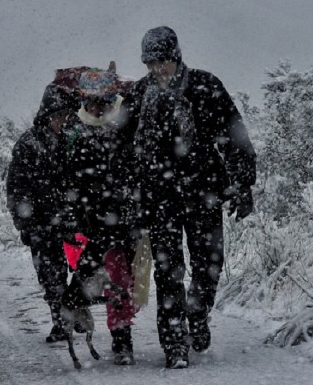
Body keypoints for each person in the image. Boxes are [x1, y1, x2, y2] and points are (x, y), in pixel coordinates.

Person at [124, 26, 257, 369]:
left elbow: (233, 134)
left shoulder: (204, 86)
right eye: (150, 63)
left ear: (176, 56)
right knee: (168, 274)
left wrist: (243, 184)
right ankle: (174, 345)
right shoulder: (139, 95)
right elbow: (121, 150)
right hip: (158, 198)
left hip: (204, 194)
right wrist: (127, 194)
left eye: (163, 61)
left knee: (208, 267)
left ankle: (197, 313)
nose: (157, 69)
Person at [62, 67, 139, 365]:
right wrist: (73, 215)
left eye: (101, 100)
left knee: (121, 279)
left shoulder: (125, 128)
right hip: (92, 223)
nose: (96, 107)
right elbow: (69, 181)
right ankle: (114, 335)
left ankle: (121, 336)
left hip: (124, 219)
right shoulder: (77, 135)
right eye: (90, 101)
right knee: (102, 278)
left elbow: (136, 172)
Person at [6, 83, 81, 343]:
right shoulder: (28, 143)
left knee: (82, 267)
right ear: (47, 114)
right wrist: (24, 223)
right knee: (50, 273)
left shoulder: (72, 140)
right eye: (57, 116)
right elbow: (17, 186)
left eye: (65, 116)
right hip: (40, 222)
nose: (61, 121)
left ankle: (75, 309)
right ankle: (61, 321)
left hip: (72, 219)